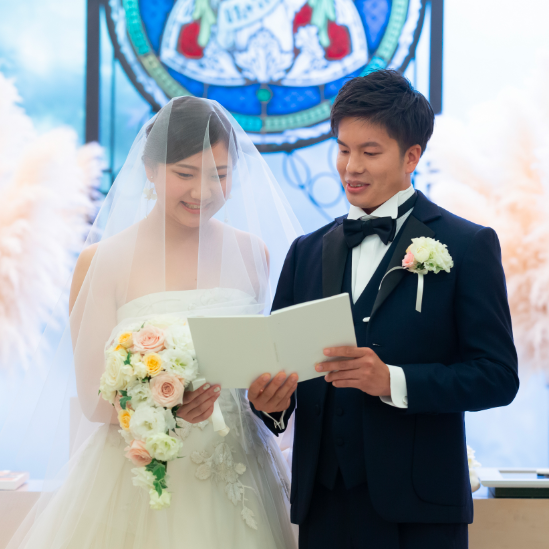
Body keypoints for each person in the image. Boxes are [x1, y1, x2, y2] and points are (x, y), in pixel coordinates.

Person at [6, 97, 301, 549]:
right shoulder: (101, 262)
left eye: (219, 175)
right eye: (185, 174)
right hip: (140, 476)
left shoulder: (252, 253)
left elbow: (254, 370)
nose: (202, 192)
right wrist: (165, 409)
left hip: (241, 471)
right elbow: (93, 402)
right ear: (149, 169)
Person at [249, 69, 519, 549]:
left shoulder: (467, 245)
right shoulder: (305, 252)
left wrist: (393, 381)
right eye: (342, 149)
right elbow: (282, 366)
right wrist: (271, 405)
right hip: (324, 507)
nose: (351, 167)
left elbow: (497, 376)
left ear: (411, 156)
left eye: (369, 152)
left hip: (421, 512)